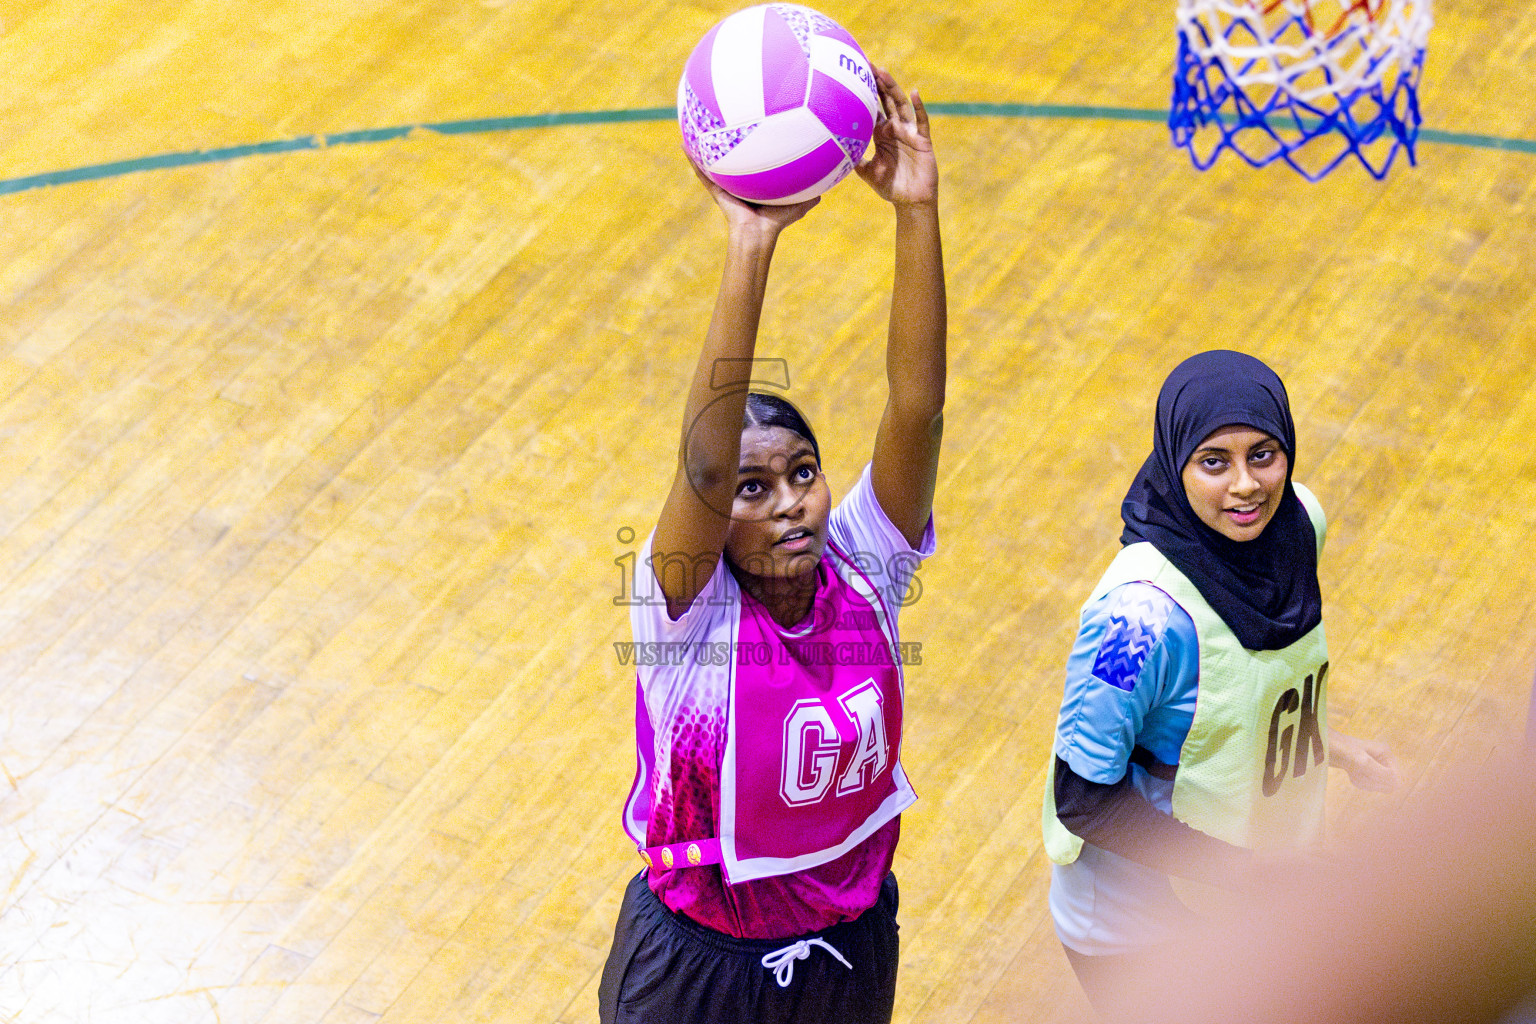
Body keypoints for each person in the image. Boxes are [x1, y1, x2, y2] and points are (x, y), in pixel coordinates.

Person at [599, 67, 944, 1024]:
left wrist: (916, 210)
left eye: (803, 473)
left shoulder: (866, 566)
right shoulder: (685, 612)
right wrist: (750, 244)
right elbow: (705, 469)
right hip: (699, 969)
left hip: (849, 949)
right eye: (756, 489)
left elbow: (916, 408)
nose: (792, 503)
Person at [1039, 349, 1399, 1013]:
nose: (1245, 486)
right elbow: (1082, 797)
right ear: (1175, 461)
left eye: (1263, 455)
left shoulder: (1298, 524)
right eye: (1214, 462)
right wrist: (1251, 871)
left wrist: (1331, 745)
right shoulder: (1134, 621)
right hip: (1140, 935)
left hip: (1245, 898)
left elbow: (1236, 691)